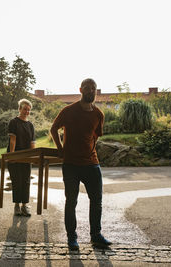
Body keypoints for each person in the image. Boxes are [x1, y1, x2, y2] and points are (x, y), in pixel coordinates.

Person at [50, 78, 111, 250]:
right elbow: (54, 129)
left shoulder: (99, 114)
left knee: (97, 202)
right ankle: (72, 238)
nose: (91, 91)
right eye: (87, 88)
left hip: (92, 164)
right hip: (71, 165)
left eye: (94, 88)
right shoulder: (69, 110)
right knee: (71, 202)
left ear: (96, 91)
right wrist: (60, 149)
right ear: (80, 90)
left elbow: (95, 136)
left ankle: (96, 236)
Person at [7, 99, 35, 217]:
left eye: (28, 110)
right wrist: (12, 156)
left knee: (26, 181)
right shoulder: (13, 122)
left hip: (26, 158)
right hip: (15, 156)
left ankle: (24, 206)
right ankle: (17, 206)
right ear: (19, 109)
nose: (26, 111)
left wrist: (33, 157)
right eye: (24, 109)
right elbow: (13, 140)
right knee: (17, 181)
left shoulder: (30, 125)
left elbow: (32, 143)